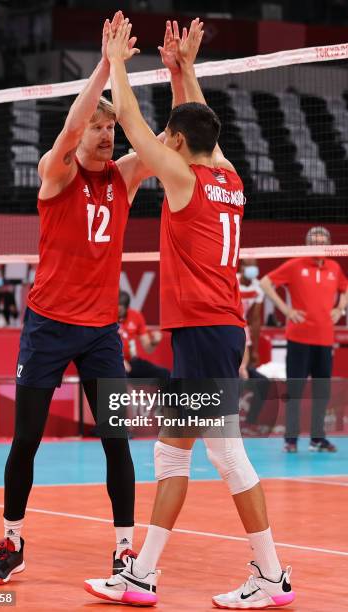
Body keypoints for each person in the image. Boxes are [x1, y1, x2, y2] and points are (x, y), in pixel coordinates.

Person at [85, 18, 294, 609]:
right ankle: (147, 576)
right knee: (178, 452)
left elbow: (131, 122)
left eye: (168, 136)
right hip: (212, 329)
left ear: (174, 143)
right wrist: (184, 71)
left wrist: (116, 62)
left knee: (221, 453)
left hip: (204, 330)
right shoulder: (227, 175)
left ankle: (266, 575)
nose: (164, 141)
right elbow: (198, 123)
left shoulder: (182, 178)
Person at [0, 11, 161, 585]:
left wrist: (176, 70)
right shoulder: (55, 174)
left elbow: (160, 142)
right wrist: (106, 66)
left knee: (116, 440)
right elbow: (69, 128)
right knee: (26, 438)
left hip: (101, 331)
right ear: (80, 135)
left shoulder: (126, 176)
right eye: (98, 130)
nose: (108, 136)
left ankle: (124, 550)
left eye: (112, 130)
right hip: (48, 325)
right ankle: (12, 541)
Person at [260, 226, 347, 453]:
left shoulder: (334, 268)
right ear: (308, 245)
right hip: (299, 338)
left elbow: (345, 288)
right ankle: (291, 439)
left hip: (324, 339)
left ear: (328, 246)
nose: (318, 246)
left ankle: (317, 439)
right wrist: (286, 310)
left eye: (322, 242)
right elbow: (265, 283)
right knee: (295, 390)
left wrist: (340, 308)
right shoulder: (295, 265)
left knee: (322, 391)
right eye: (314, 242)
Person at [238, 259, 271, 435]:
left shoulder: (258, 288)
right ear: (241, 268)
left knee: (262, 383)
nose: (253, 269)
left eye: (255, 265)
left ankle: (250, 424)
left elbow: (256, 319)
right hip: (227, 339)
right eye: (249, 265)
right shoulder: (231, 282)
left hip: (242, 346)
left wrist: (254, 351)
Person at [118, 290, 170, 379]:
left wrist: (154, 342)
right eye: (116, 309)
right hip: (115, 362)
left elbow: (148, 349)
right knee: (121, 377)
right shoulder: (108, 318)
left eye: (120, 311)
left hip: (132, 361)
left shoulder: (136, 316)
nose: (117, 314)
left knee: (165, 374)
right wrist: (120, 360)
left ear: (127, 308)